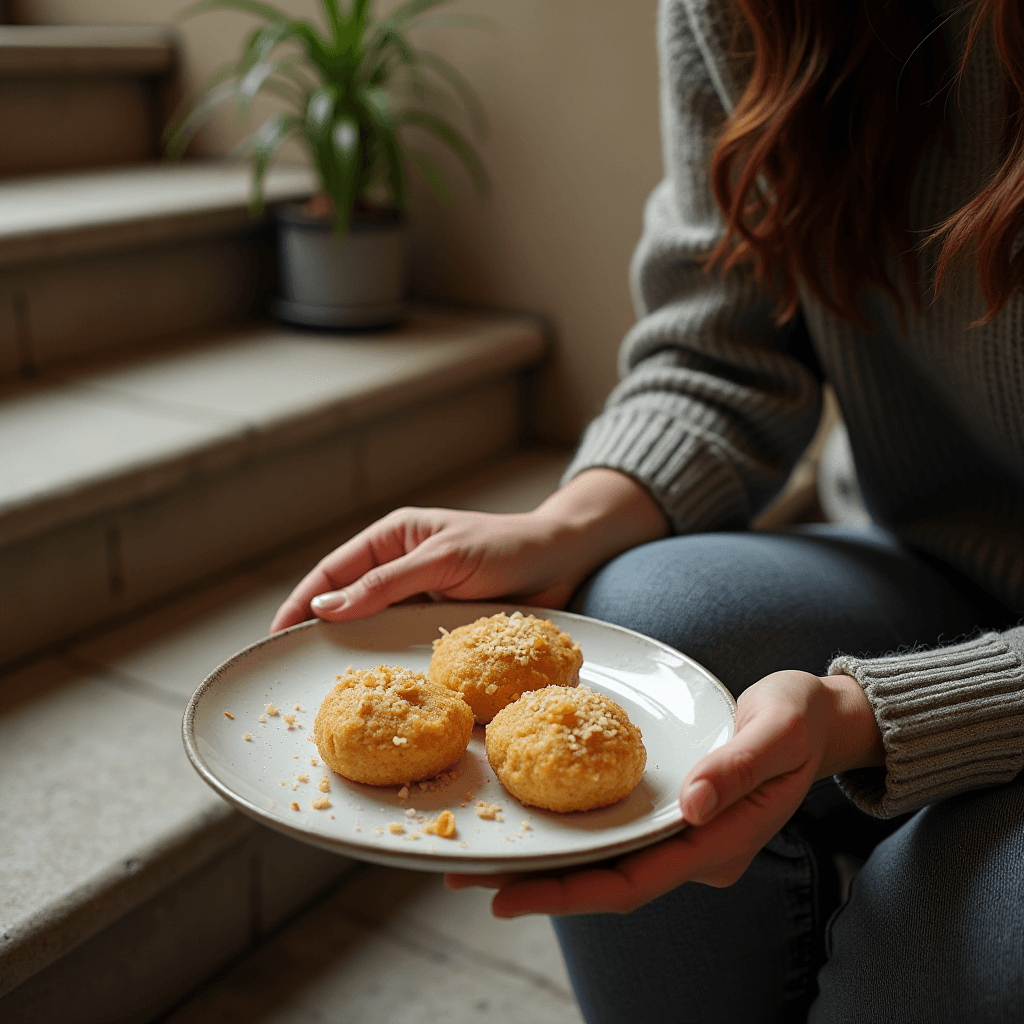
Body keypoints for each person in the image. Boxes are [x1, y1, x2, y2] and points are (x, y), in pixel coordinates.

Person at [272, 0, 1024, 1019]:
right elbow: (724, 342)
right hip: (940, 552)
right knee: (643, 606)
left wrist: (875, 717)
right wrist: (566, 522)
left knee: (925, 957)